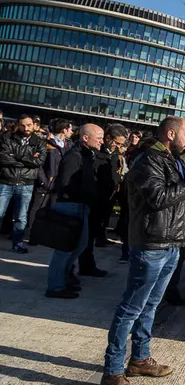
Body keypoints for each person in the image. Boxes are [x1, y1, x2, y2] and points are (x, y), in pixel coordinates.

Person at [101, 117, 185, 385]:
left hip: (171, 243)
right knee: (131, 308)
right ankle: (112, 373)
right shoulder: (149, 160)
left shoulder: (175, 160)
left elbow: (184, 200)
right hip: (151, 244)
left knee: (151, 305)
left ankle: (140, 358)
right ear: (170, 134)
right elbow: (158, 198)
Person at [44, 124, 104, 299]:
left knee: (79, 246)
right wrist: (84, 194)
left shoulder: (86, 155)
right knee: (64, 250)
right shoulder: (74, 156)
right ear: (85, 138)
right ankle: (55, 286)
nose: (101, 141)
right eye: (99, 138)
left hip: (81, 206)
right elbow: (65, 183)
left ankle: (64, 279)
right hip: (71, 206)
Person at [78, 124, 128, 278]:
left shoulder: (114, 154)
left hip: (107, 198)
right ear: (108, 138)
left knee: (93, 233)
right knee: (85, 237)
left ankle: (87, 264)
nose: (118, 146)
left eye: (121, 144)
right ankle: (84, 266)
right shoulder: (96, 154)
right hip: (94, 199)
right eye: (117, 143)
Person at [0, 114, 47, 253]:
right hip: (6, 181)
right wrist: (29, 159)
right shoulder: (7, 138)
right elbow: (3, 158)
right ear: (18, 125)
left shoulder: (39, 142)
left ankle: (17, 243)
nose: (26, 128)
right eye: (23, 125)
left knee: (21, 217)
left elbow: (39, 162)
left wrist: (16, 156)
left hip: (26, 184)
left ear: (34, 125)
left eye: (29, 125)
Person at [28, 120, 73, 245]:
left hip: (58, 184)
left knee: (53, 211)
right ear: (64, 130)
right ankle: (33, 235)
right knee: (38, 209)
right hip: (45, 183)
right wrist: (44, 181)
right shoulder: (46, 142)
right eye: (70, 129)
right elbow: (39, 165)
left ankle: (45, 235)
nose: (72, 132)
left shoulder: (68, 145)